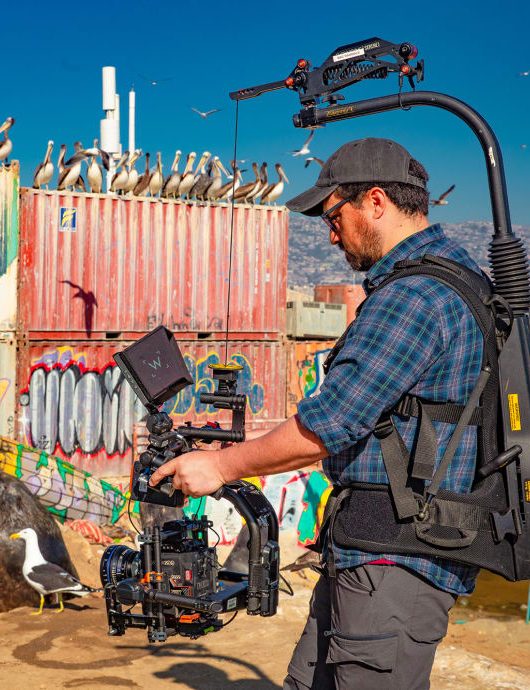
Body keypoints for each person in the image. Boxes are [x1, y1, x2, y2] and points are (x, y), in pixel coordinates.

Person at [149, 137, 485, 689]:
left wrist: (222, 466)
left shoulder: (414, 297)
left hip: (391, 563)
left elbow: (328, 425)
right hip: (372, 553)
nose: (330, 233)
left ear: (376, 202)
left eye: (335, 215)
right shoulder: (449, 277)